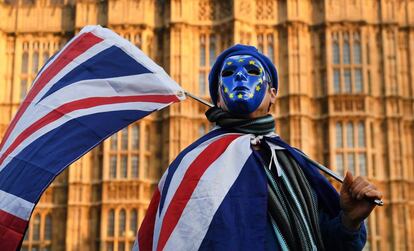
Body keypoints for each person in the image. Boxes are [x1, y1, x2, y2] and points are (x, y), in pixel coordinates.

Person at [134, 44, 383, 251]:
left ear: (273, 93)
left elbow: (326, 243)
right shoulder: (193, 162)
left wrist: (350, 220)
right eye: (229, 73)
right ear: (218, 98)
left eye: (252, 71)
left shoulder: (293, 163)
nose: (240, 77)